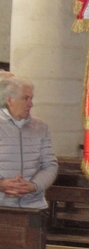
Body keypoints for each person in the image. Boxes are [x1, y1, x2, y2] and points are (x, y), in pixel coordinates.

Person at [0, 75, 58, 208]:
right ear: (9, 100)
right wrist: (2, 185)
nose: (31, 104)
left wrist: (34, 186)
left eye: (31, 98)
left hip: (33, 205)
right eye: (25, 98)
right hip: (2, 206)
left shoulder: (41, 127)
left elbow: (50, 165)